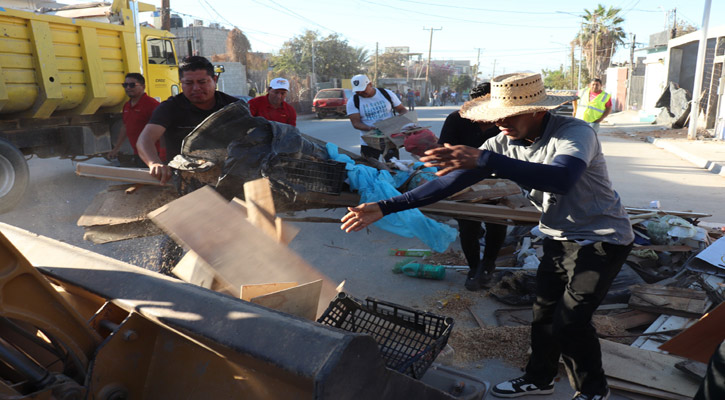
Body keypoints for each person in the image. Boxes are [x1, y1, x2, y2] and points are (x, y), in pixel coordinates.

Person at [341, 72, 634, 400]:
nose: (499, 123)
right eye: (495, 117)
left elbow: (562, 178)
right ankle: (539, 378)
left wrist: (486, 159)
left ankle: (594, 390)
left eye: (507, 116)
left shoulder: (575, 133)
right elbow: (450, 182)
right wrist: (388, 206)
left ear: (537, 111)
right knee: (545, 313)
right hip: (557, 234)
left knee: (571, 320)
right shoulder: (502, 142)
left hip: (602, 237)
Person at [438, 82, 506, 291]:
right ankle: (473, 268)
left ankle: (488, 265)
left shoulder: (504, 122)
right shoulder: (456, 119)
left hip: (500, 180)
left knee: (497, 222)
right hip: (464, 180)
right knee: (468, 225)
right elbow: (445, 151)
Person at [137, 55, 238, 185]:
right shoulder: (169, 108)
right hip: (182, 181)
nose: (196, 88)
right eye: (189, 83)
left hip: (228, 179)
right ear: (181, 83)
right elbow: (145, 139)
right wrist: (154, 163)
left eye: (202, 82)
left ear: (214, 80)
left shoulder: (233, 107)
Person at [346, 74, 407, 161]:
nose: (360, 93)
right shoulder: (353, 101)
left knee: (394, 167)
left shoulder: (386, 94)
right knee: (370, 170)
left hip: (389, 140)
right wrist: (370, 128)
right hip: (369, 143)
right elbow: (356, 123)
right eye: (357, 91)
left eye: (362, 90)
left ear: (370, 84)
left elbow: (402, 110)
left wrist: (400, 120)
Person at [108, 73, 164, 167]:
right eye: (125, 85)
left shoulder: (152, 105)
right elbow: (125, 127)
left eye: (132, 85)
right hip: (138, 153)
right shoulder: (127, 106)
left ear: (143, 86)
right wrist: (116, 149)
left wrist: (162, 154)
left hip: (154, 155)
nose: (128, 88)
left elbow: (163, 130)